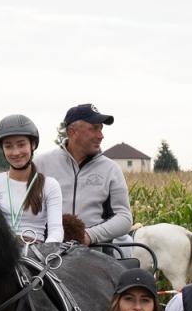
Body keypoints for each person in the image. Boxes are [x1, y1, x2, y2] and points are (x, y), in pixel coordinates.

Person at [41, 104, 133, 248]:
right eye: (94, 129)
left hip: (96, 253)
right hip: (46, 252)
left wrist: (89, 236)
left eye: (101, 129)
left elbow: (124, 218)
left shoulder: (111, 169)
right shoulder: (41, 164)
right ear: (72, 132)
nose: (101, 135)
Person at [0, 114, 64, 245]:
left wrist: (45, 254)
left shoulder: (50, 185)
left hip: (34, 252)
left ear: (32, 145)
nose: (15, 152)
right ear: (3, 149)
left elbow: (56, 231)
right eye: (8, 146)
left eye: (21, 145)